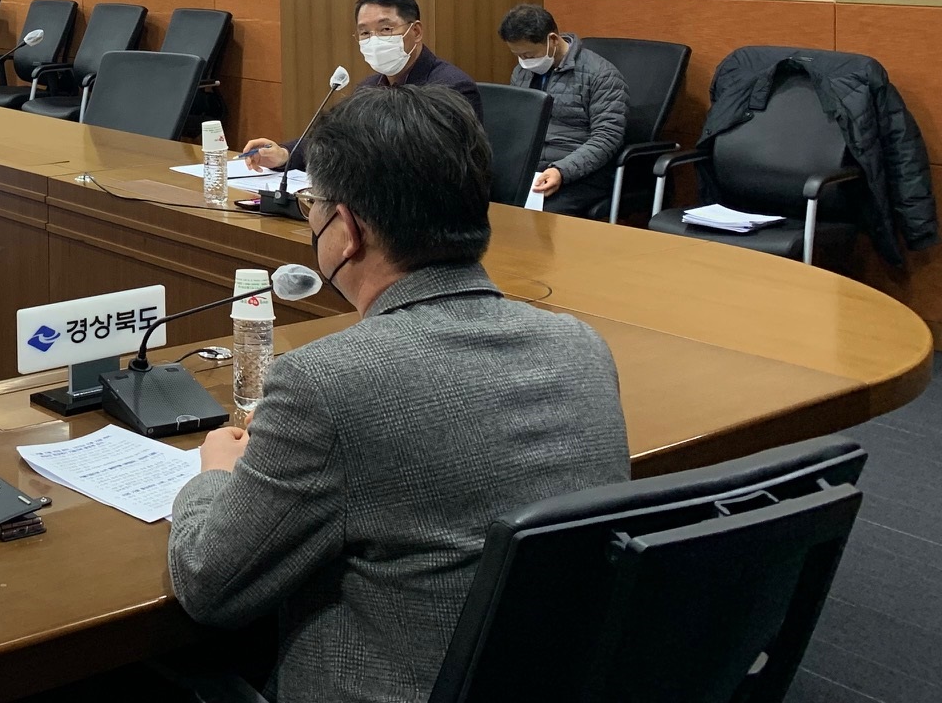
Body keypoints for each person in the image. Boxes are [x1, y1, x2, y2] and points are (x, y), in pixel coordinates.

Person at [169, 84, 628, 702]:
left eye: (310, 205)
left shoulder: (326, 382)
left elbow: (208, 585)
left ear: (347, 230)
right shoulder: (581, 346)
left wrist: (214, 476)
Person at [244, 0, 482, 173]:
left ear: (416, 32)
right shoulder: (369, 88)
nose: (374, 40)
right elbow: (337, 141)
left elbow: (438, 166)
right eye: (365, 33)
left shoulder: (451, 88)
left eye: (386, 29)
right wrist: (285, 154)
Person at [499, 3, 629, 217]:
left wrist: (561, 171)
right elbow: (516, 124)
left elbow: (607, 137)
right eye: (519, 55)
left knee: (538, 215)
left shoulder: (601, 75)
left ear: (552, 40)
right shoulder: (522, 72)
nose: (525, 62)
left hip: (580, 171)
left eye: (529, 55)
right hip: (530, 168)